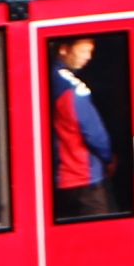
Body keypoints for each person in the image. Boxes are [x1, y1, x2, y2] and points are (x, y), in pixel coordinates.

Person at [48, 33, 113, 213]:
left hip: (56, 176)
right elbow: (93, 132)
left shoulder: (44, 76)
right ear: (64, 49)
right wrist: (108, 157)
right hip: (81, 175)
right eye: (83, 50)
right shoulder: (71, 87)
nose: (88, 57)